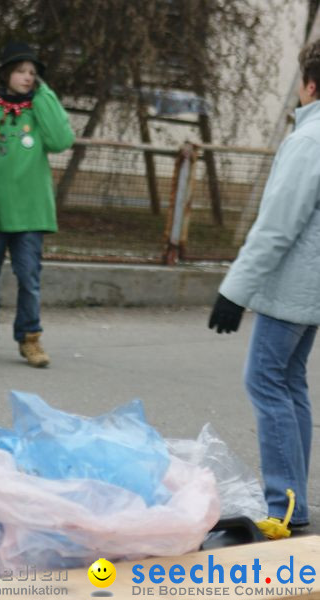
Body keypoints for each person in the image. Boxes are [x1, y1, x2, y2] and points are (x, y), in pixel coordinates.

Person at [208, 39, 320, 538]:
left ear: (310, 84)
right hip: (310, 289)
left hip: (293, 287)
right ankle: (293, 496)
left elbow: (278, 224)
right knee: (289, 383)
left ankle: (285, 505)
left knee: (266, 382)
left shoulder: (310, 137)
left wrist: (235, 290)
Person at [0, 42, 74, 367]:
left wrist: (44, 93)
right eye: (21, 71)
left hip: (30, 214)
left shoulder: (39, 109)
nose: (27, 77)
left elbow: (61, 140)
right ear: (7, 73)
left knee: (29, 279)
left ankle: (30, 339)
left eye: (33, 73)